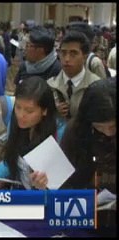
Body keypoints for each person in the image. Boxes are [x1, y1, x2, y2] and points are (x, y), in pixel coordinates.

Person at [60, 77, 116, 237]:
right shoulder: (75, 132)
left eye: (113, 126)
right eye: (100, 126)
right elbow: (64, 179)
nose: (109, 132)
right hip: (85, 216)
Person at [0, 76, 58, 190]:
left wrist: (46, 186)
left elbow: (64, 185)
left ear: (44, 111)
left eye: (29, 111)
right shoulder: (17, 124)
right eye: (18, 107)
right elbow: (13, 159)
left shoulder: (59, 135)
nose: (21, 115)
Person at [47, 30, 101, 121]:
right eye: (63, 53)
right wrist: (52, 112)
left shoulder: (96, 86)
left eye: (73, 54)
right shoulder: (50, 85)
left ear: (85, 56)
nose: (66, 59)